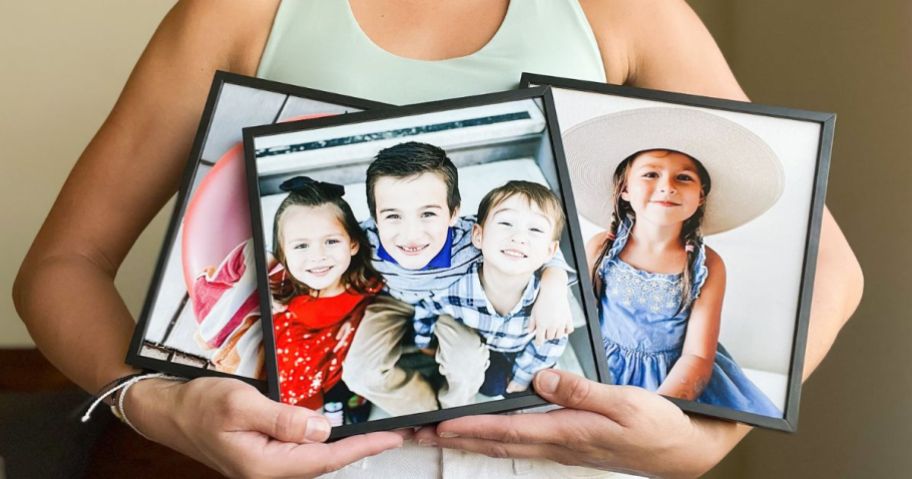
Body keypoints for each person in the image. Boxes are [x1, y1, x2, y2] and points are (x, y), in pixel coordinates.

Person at [13, 1, 863, 477]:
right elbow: (62, 266)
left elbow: (829, 266)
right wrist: (153, 402)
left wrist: (705, 440)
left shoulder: (622, 7)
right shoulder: (242, 8)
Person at [343, 142, 573, 416]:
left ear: (454, 214)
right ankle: (426, 411)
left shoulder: (475, 236)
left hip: (453, 306)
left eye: (428, 213)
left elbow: (537, 245)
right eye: (393, 216)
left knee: (467, 364)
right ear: (375, 219)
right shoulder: (365, 239)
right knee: (358, 373)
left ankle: (455, 410)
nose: (411, 234)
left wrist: (554, 286)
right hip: (394, 299)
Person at [413, 180, 570, 401]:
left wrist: (521, 378)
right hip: (484, 345)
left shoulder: (546, 304)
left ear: (550, 251)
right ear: (478, 236)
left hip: (521, 350)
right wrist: (424, 342)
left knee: (530, 389)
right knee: (490, 387)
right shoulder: (456, 290)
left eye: (534, 229)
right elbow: (427, 306)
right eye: (506, 223)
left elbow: (551, 342)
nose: (518, 237)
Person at [268, 176, 380, 422]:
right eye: (301, 246)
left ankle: (343, 395)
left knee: (355, 360)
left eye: (331, 241)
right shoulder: (278, 281)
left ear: (352, 243)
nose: (317, 256)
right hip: (302, 344)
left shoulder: (365, 279)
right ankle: (323, 402)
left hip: (345, 337)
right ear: (282, 252)